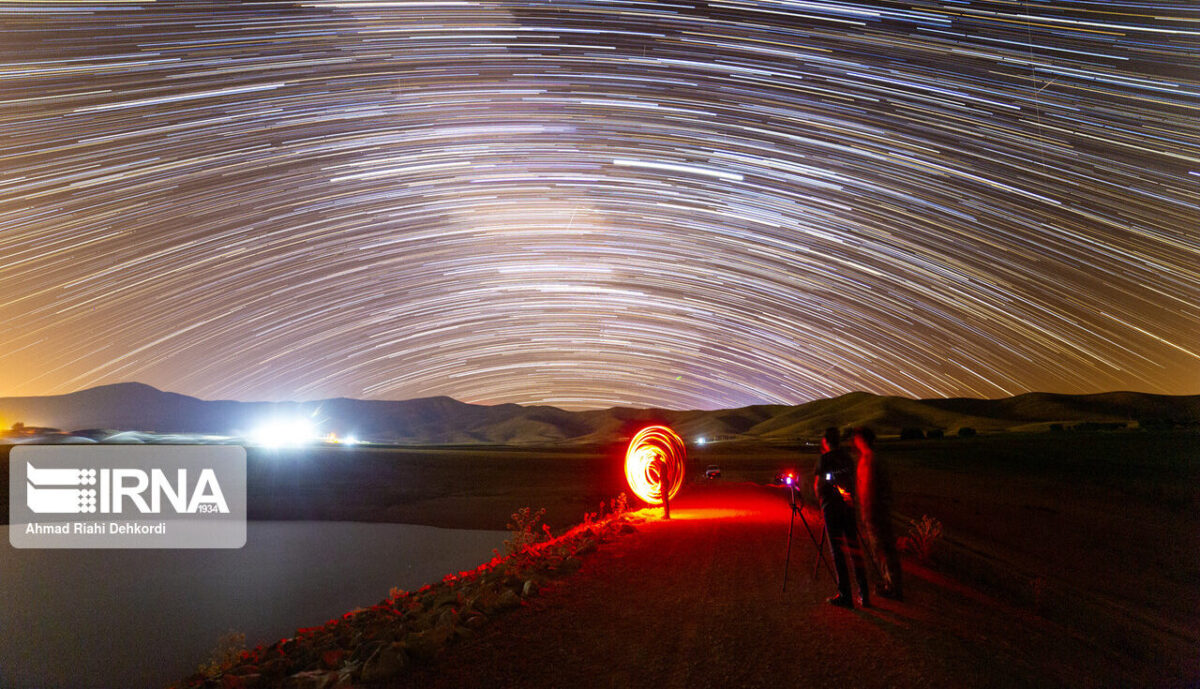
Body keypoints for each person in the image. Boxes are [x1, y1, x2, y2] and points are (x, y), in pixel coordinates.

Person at [813, 426, 870, 608]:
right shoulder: (848, 458)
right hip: (849, 508)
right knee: (855, 550)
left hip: (831, 510)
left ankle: (845, 595)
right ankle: (864, 594)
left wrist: (822, 501)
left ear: (825, 441)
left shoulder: (824, 459)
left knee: (838, 552)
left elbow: (818, 486)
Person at [852, 427, 903, 601]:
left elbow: (870, 490)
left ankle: (893, 587)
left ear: (862, 439)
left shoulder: (870, 460)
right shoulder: (871, 458)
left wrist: (868, 514)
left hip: (875, 513)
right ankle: (888, 583)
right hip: (876, 512)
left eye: (856, 438)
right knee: (881, 550)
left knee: (883, 550)